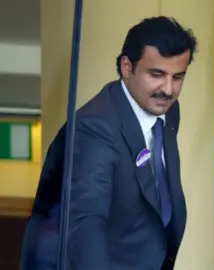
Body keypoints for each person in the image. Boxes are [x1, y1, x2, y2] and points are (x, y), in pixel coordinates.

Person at [20, 16, 197, 270]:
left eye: (178, 77)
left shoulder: (168, 111)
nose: (168, 89)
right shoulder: (94, 128)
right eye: (156, 74)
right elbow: (84, 225)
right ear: (127, 67)